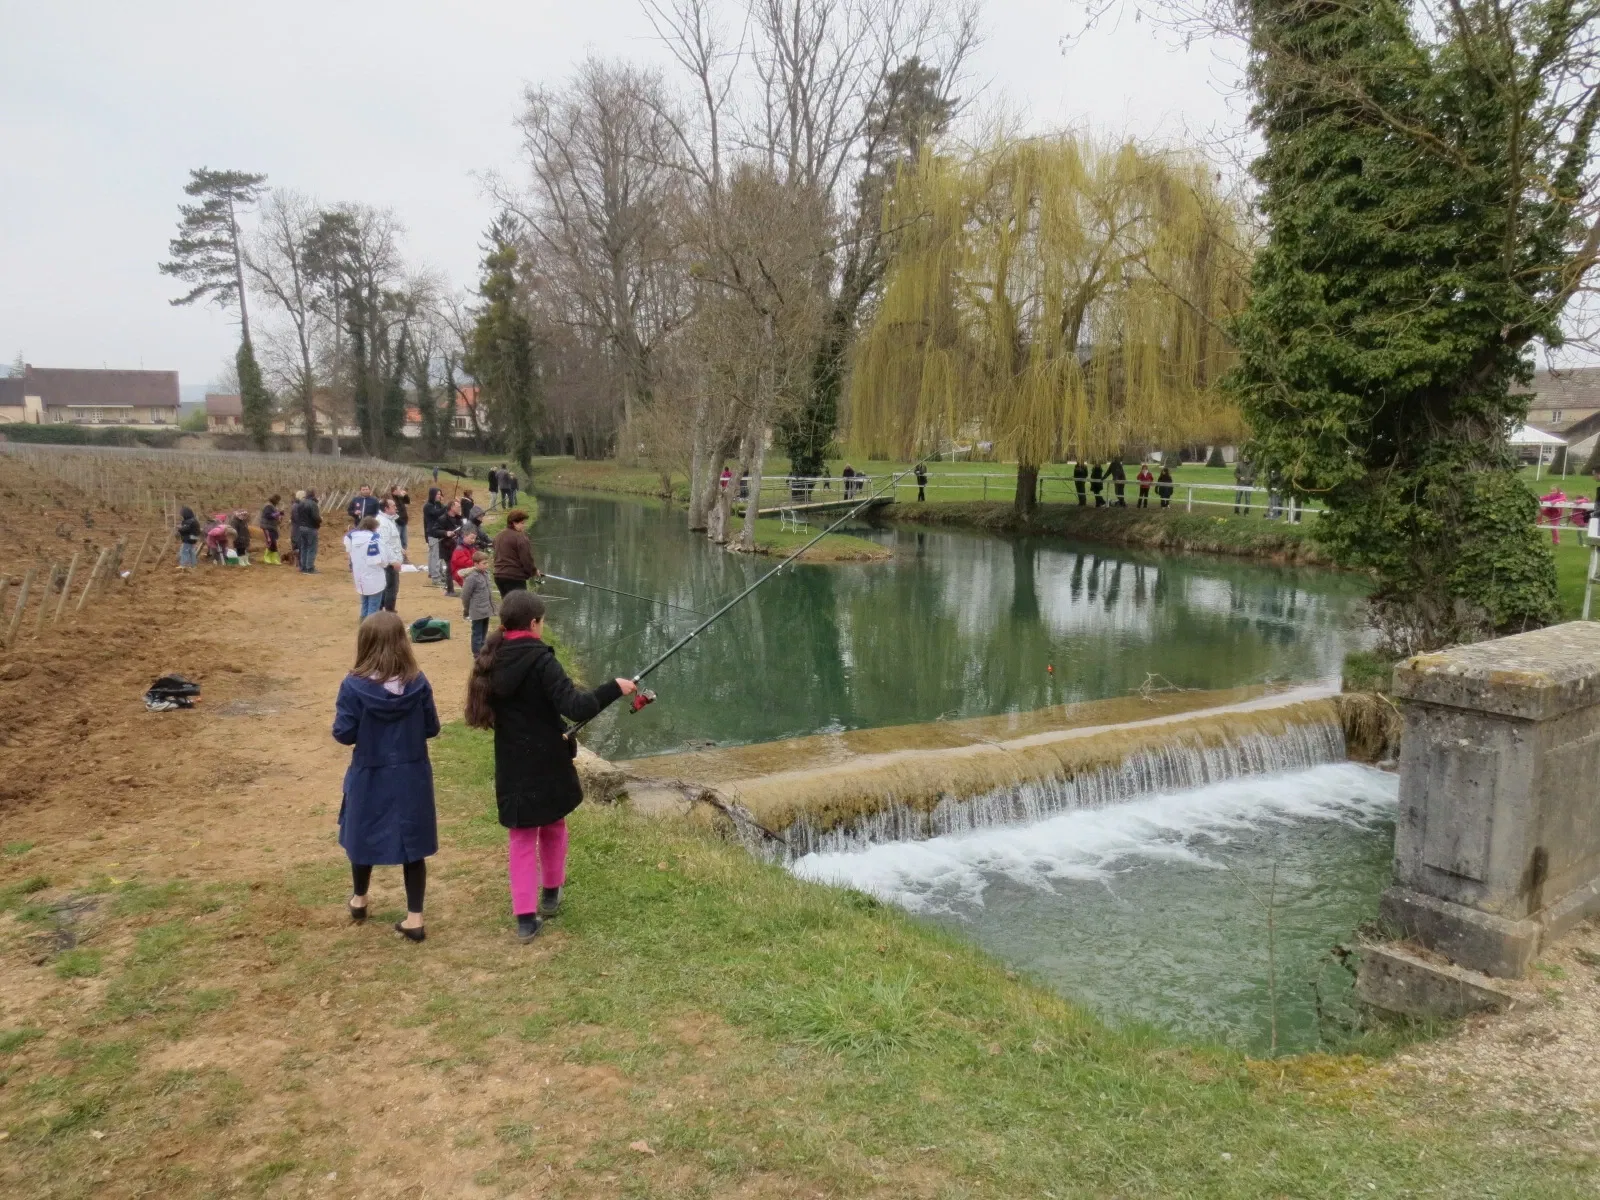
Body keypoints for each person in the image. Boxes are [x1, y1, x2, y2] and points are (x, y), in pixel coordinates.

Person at [464, 591, 635, 941]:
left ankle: (526, 918)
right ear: (534, 623)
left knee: (522, 837)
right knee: (554, 823)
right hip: (548, 760)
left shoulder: (491, 657)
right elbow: (577, 707)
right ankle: (551, 893)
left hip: (512, 762)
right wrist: (613, 688)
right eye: (543, 621)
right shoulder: (542, 660)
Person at [333, 611, 440, 943]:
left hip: (370, 774)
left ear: (365, 645)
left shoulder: (353, 686)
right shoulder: (418, 683)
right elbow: (431, 727)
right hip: (411, 775)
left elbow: (344, 733)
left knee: (363, 836)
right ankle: (415, 917)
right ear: (402, 644)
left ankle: (360, 899)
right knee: (414, 845)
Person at [344, 515, 392, 622]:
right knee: (374, 604)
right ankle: (369, 625)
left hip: (359, 575)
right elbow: (383, 560)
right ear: (373, 528)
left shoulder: (352, 538)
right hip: (374, 576)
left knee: (364, 601)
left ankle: (363, 619)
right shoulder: (375, 539)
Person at [492, 509, 538, 597]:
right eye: (522, 523)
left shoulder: (498, 535)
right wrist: (533, 572)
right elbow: (526, 559)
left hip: (498, 576)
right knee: (519, 607)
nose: (524, 525)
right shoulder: (520, 537)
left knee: (507, 605)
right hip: (514, 577)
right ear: (514, 523)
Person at [460, 550, 495, 654]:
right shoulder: (472, 578)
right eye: (484, 564)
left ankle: (483, 651)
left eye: (487, 563)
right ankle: (477, 654)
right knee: (477, 634)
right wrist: (467, 609)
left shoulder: (486, 574)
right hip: (477, 611)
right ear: (476, 564)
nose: (486, 566)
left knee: (484, 633)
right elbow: (465, 595)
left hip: (486, 610)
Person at [377, 499, 405, 612]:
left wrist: (400, 549)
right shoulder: (383, 523)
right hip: (389, 561)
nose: (396, 507)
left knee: (388, 586)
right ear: (386, 508)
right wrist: (393, 561)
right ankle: (389, 610)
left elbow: (392, 540)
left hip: (392, 558)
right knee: (391, 587)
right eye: (393, 506)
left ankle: (382, 608)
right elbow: (384, 544)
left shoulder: (389, 521)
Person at [421, 487, 447, 586]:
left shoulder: (438, 505)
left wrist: (443, 505)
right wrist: (446, 507)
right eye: (437, 494)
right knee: (435, 555)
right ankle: (435, 577)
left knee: (436, 555)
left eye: (440, 494)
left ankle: (435, 573)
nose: (439, 496)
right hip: (432, 533)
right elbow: (437, 514)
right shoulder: (428, 506)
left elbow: (442, 513)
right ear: (432, 495)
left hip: (438, 532)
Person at [438, 500, 464, 596]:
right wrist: (446, 533)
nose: (459, 508)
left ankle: (462, 588)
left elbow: (464, 527)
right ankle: (450, 590)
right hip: (447, 547)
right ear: (452, 507)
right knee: (450, 568)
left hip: (457, 547)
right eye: (457, 507)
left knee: (458, 568)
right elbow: (435, 531)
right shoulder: (443, 519)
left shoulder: (459, 519)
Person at [298, 489, 323, 573]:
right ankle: (310, 568)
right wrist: (320, 520)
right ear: (314, 494)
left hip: (301, 527)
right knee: (312, 548)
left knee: (304, 547)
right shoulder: (313, 504)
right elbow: (316, 517)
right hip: (311, 528)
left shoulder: (301, 503)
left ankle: (303, 567)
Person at [260, 496, 284, 565]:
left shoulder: (273, 506)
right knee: (271, 541)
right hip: (267, 526)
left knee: (273, 542)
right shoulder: (268, 506)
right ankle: (267, 557)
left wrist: (280, 516)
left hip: (272, 526)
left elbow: (274, 516)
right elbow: (268, 515)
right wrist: (278, 513)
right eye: (278, 500)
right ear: (275, 500)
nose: (278, 502)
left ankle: (273, 558)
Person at [391, 486, 411, 552]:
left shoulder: (400, 498)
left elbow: (408, 501)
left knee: (404, 540)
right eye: (399, 489)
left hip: (404, 522)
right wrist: (398, 520)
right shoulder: (391, 500)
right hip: (397, 522)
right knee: (397, 540)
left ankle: (403, 555)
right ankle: (398, 555)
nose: (401, 491)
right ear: (394, 491)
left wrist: (405, 495)